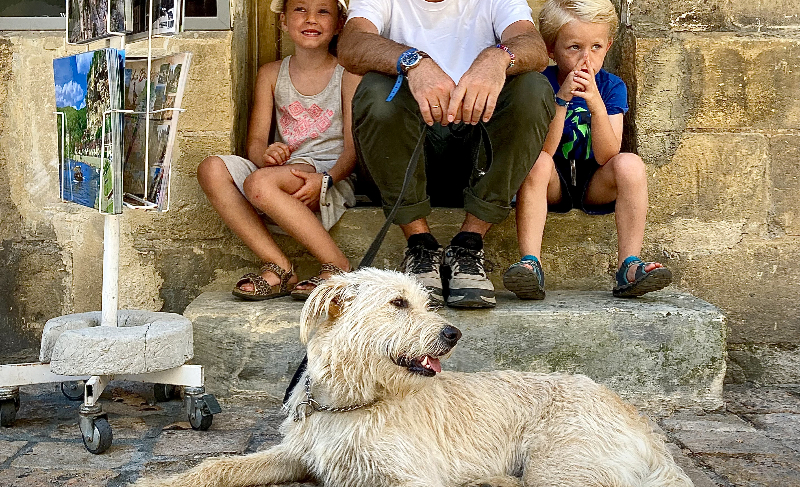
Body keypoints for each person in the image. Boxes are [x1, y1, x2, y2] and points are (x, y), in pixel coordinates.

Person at [337, 0, 554, 308]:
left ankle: (469, 243)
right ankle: (419, 244)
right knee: (376, 91)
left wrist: (497, 57)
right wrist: (413, 61)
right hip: (401, 160)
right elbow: (351, 44)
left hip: (475, 161)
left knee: (532, 88)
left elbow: (533, 46)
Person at [503, 0, 671, 300]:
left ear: (608, 46)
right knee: (538, 162)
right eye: (574, 48)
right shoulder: (541, 84)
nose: (586, 59)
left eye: (596, 47)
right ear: (551, 50)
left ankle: (629, 266)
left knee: (630, 164)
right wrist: (561, 100)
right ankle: (531, 264)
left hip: (595, 180)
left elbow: (608, 155)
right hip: (550, 181)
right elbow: (544, 148)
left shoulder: (611, 86)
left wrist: (595, 103)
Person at [197, 0, 360, 301]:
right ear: (283, 21)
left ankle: (337, 264)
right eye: (300, 10)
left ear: (339, 25)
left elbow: (353, 149)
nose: (311, 19)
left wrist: (327, 180)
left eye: (323, 11)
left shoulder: (347, 75)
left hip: (327, 178)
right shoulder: (271, 74)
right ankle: (280, 266)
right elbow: (256, 144)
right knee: (211, 168)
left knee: (260, 183)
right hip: (278, 175)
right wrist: (266, 155)